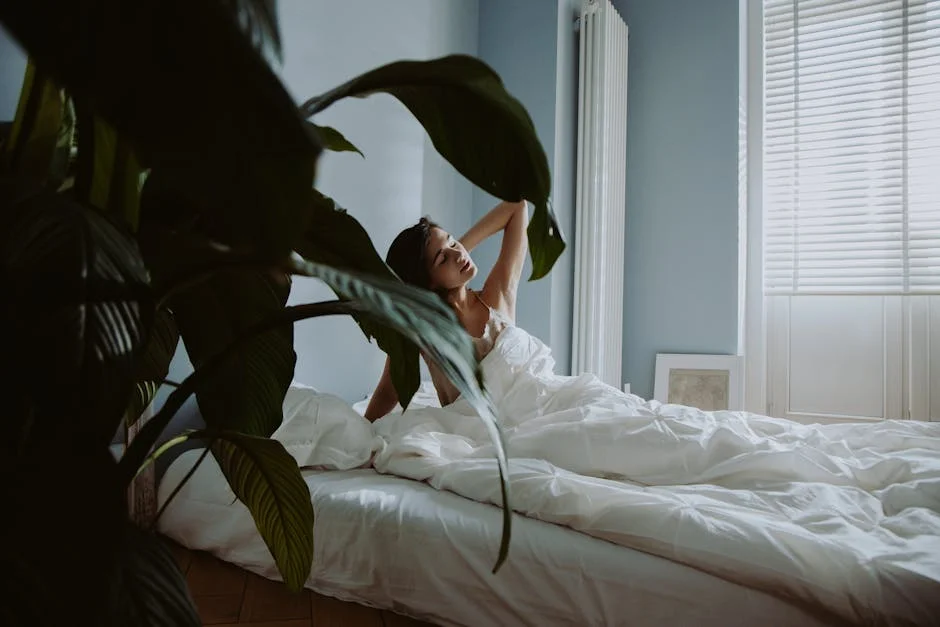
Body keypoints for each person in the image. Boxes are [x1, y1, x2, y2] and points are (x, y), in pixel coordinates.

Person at [364, 199, 529, 421]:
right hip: (468, 432)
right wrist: (363, 434)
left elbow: (517, 206)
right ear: (426, 283)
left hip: (528, 411)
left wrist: (456, 249)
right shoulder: (424, 330)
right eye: (442, 259)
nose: (459, 254)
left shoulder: (497, 295)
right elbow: (388, 390)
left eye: (452, 242)